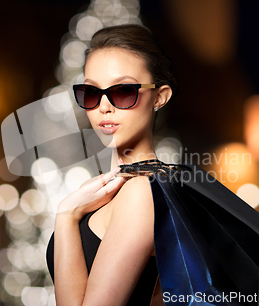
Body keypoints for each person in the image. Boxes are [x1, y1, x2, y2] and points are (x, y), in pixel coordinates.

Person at [46, 24, 177, 305]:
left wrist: (66, 215)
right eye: (91, 93)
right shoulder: (116, 186)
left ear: (159, 97)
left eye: (123, 91)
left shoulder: (142, 191)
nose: (104, 107)